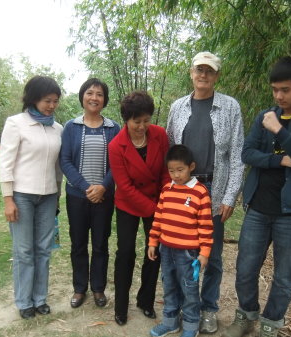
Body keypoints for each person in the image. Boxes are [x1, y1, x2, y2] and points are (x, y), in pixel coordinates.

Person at [222, 56, 291, 337]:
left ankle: (270, 324)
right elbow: (247, 154)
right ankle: (246, 316)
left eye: (285, 89)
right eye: (275, 90)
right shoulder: (263, 116)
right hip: (259, 205)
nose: (279, 96)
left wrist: (280, 131)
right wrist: (280, 161)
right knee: (245, 268)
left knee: (283, 275)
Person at [166, 51, 244, 333]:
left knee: (211, 254)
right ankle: (182, 309)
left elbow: (236, 154)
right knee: (180, 251)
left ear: (217, 76)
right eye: (199, 70)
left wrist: (229, 196)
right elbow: (171, 151)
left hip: (214, 188)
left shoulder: (230, 107)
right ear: (191, 73)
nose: (204, 75)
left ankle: (208, 308)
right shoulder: (178, 107)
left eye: (209, 71)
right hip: (183, 189)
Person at [0, 75, 63, 319]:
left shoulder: (58, 128)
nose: (52, 106)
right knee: (24, 250)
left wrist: (57, 195)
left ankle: (40, 299)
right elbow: (6, 163)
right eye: (47, 100)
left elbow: (58, 166)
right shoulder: (16, 123)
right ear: (34, 98)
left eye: (55, 101)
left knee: (43, 249)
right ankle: (24, 301)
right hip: (22, 196)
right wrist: (8, 199)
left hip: (48, 197)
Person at [109, 91, 170, 326]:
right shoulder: (116, 146)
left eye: (146, 120)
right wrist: (154, 209)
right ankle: (120, 306)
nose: (142, 126)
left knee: (153, 252)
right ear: (126, 119)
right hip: (128, 205)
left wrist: (163, 202)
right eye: (137, 122)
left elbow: (166, 172)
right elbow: (123, 186)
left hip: (157, 200)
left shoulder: (160, 135)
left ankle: (146, 301)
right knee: (125, 253)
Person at [59, 78, 120, 309]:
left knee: (101, 244)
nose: (94, 98)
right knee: (78, 244)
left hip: (104, 198)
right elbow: (64, 161)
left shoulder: (113, 128)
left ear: (105, 100)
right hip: (77, 196)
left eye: (99, 94)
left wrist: (103, 186)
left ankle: (98, 288)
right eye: (90, 93)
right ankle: (79, 288)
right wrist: (86, 187)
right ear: (82, 96)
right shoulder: (71, 127)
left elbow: (118, 163)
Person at [148, 144, 213, 337]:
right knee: (169, 285)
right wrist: (153, 242)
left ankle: (191, 325)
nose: (175, 175)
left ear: (191, 166)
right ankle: (170, 322)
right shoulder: (167, 189)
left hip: (189, 253)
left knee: (189, 289)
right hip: (166, 249)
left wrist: (204, 253)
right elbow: (158, 218)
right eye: (171, 171)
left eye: (180, 170)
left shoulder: (200, 192)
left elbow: (206, 226)